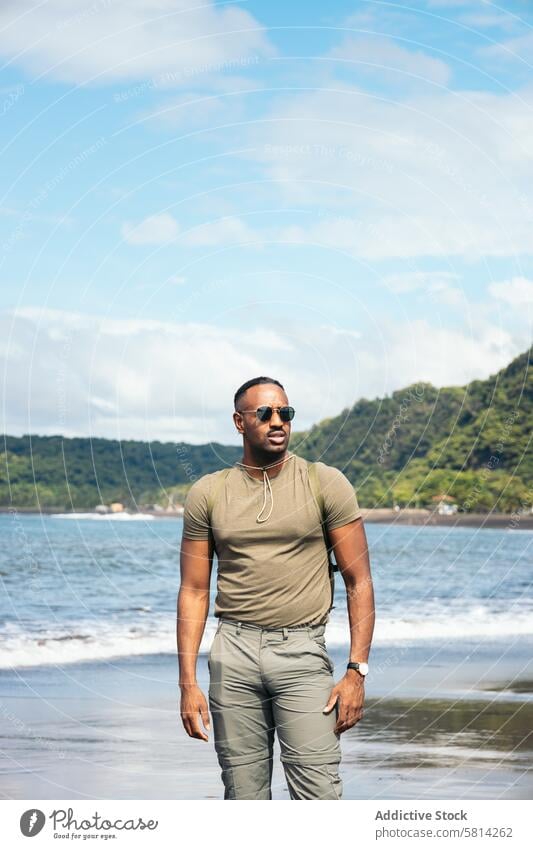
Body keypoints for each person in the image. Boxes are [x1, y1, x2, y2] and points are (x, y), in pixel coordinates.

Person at [177, 375, 375, 800]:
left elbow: (359, 581)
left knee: (318, 797)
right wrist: (187, 682)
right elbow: (194, 590)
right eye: (264, 413)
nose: (277, 421)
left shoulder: (325, 483)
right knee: (244, 800)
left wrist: (357, 672)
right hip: (233, 654)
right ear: (239, 422)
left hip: (301, 653)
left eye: (285, 412)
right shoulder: (208, 494)